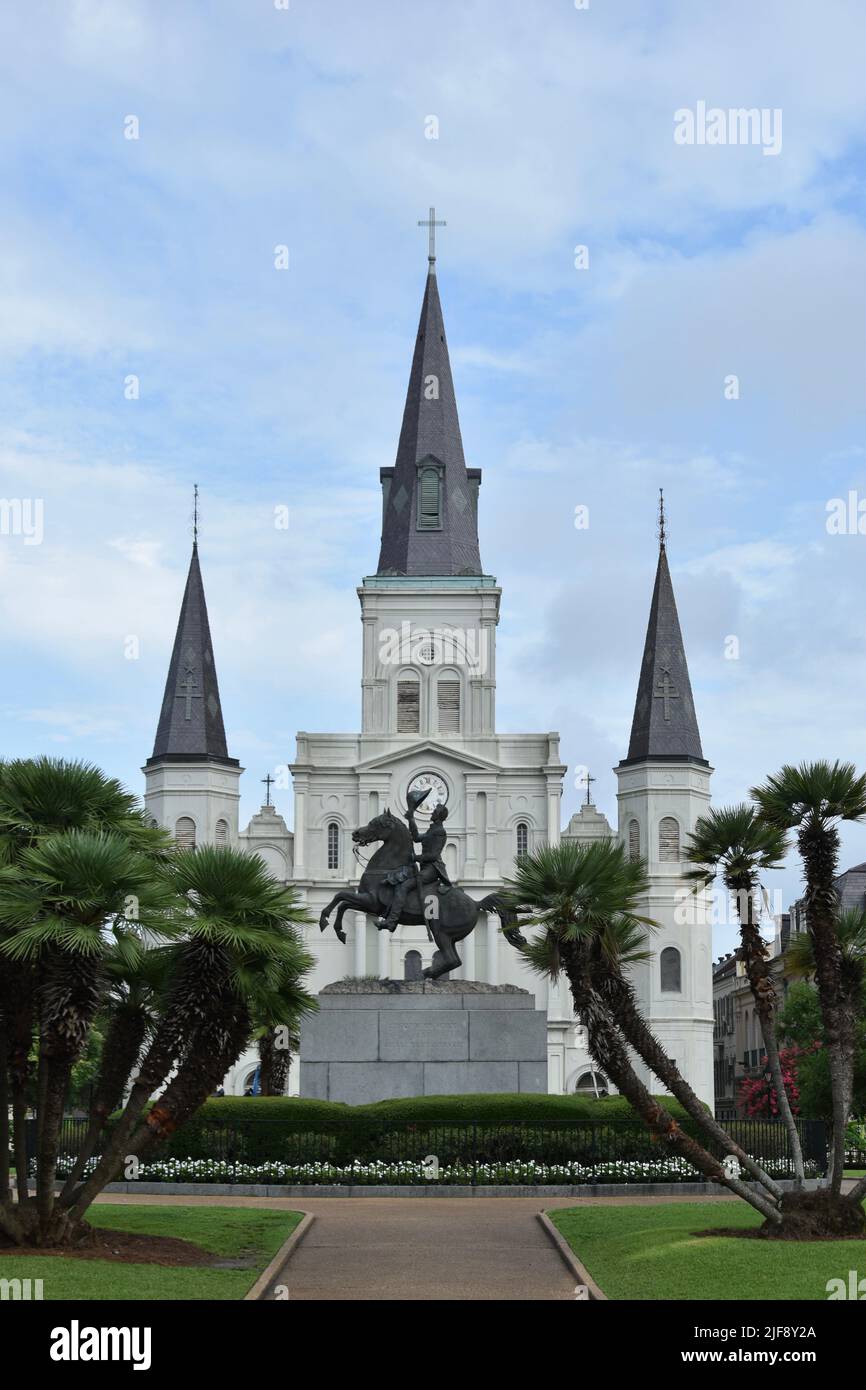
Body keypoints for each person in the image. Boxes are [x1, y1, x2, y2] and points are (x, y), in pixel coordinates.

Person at [377, 801, 452, 932]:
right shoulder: (433, 829)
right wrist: (411, 819)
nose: (432, 812)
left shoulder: (440, 832)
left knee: (404, 886)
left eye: (435, 811)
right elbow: (416, 837)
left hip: (432, 869)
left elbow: (434, 856)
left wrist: (416, 857)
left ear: (439, 815)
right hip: (425, 867)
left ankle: (391, 921)